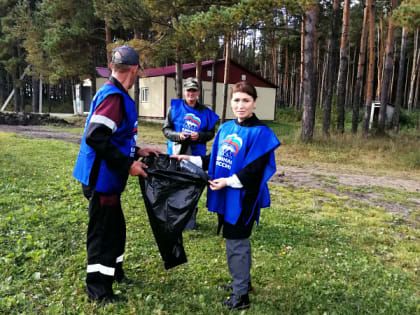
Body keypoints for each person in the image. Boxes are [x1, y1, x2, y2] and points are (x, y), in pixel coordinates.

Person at [173, 81, 280, 310]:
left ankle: (241, 296)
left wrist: (228, 182)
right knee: (235, 242)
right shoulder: (226, 128)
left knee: (236, 243)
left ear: (254, 103)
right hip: (225, 194)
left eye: (245, 100)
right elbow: (215, 159)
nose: (240, 106)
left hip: (243, 199)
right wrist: (188, 159)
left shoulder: (260, 132)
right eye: (236, 100)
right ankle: (243, 283)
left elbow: (254, 170)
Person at [73, 45, 161, 303]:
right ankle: (98, 291)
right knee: (103, 234)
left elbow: (115, 138)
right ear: (133, 71)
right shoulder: (114, 98)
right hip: (101, 179)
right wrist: (127, 165)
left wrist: (137, 152)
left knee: (117, 228)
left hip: (108, 179)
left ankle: (115, 271)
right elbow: (96, 137)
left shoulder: (114, 93)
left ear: (112, 67)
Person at [163, 77, 219, 230]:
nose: (191, 93)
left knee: (192, 186)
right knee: (175, 185)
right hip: (175, 153)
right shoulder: (174, 108)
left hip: (196, 156)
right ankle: (174, 218)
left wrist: (200, 136)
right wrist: (178, 136)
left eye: (194, 90)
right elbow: (166, 130)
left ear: (198, 92)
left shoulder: (205, 112)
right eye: (188, 90)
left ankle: (189, 220)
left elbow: (210, 133)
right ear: (184, 91)